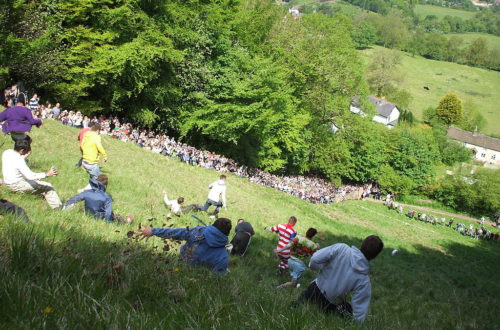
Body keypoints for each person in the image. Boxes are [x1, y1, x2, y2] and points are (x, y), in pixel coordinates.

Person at [293, 235, 384, 323]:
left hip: (314, 289)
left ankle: (295, 306)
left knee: (296, 306)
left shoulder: (341, 248)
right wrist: (357, 324)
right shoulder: (364, 279)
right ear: (375, 256)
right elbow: (360, 308)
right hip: (331, 304)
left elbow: (315, 259)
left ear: (361, 244)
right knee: (348, 311)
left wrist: (316, 268)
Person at [137, 217, 232, 274]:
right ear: (226, 235)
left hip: (179, 262)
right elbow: (217, 278)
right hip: (195, 276)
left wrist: (153, 231)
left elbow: (176, 233)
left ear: (213, 225)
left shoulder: (198, 231)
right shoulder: (223, 256)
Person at [1, 138, 61, 209]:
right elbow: (30, 176)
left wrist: (25, 155)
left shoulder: (7, 152)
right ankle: (59, 208)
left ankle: (44, 201)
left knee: (38, 185)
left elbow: (15, 161)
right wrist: (47, 174)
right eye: (26, 151)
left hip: (7, 182)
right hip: (17, 185)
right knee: (48, 186)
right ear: (22, 150)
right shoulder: (19, 160)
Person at [63, 174, 132, 223]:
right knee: (116, 216)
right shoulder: (107, 197)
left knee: (81, 208)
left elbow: (75, 198)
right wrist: (108, 223)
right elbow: (108, 213)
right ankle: (128, 221)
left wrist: (65, 204)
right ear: (105, 185)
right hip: (101, 218)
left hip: (88, 214)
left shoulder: (87, 192)